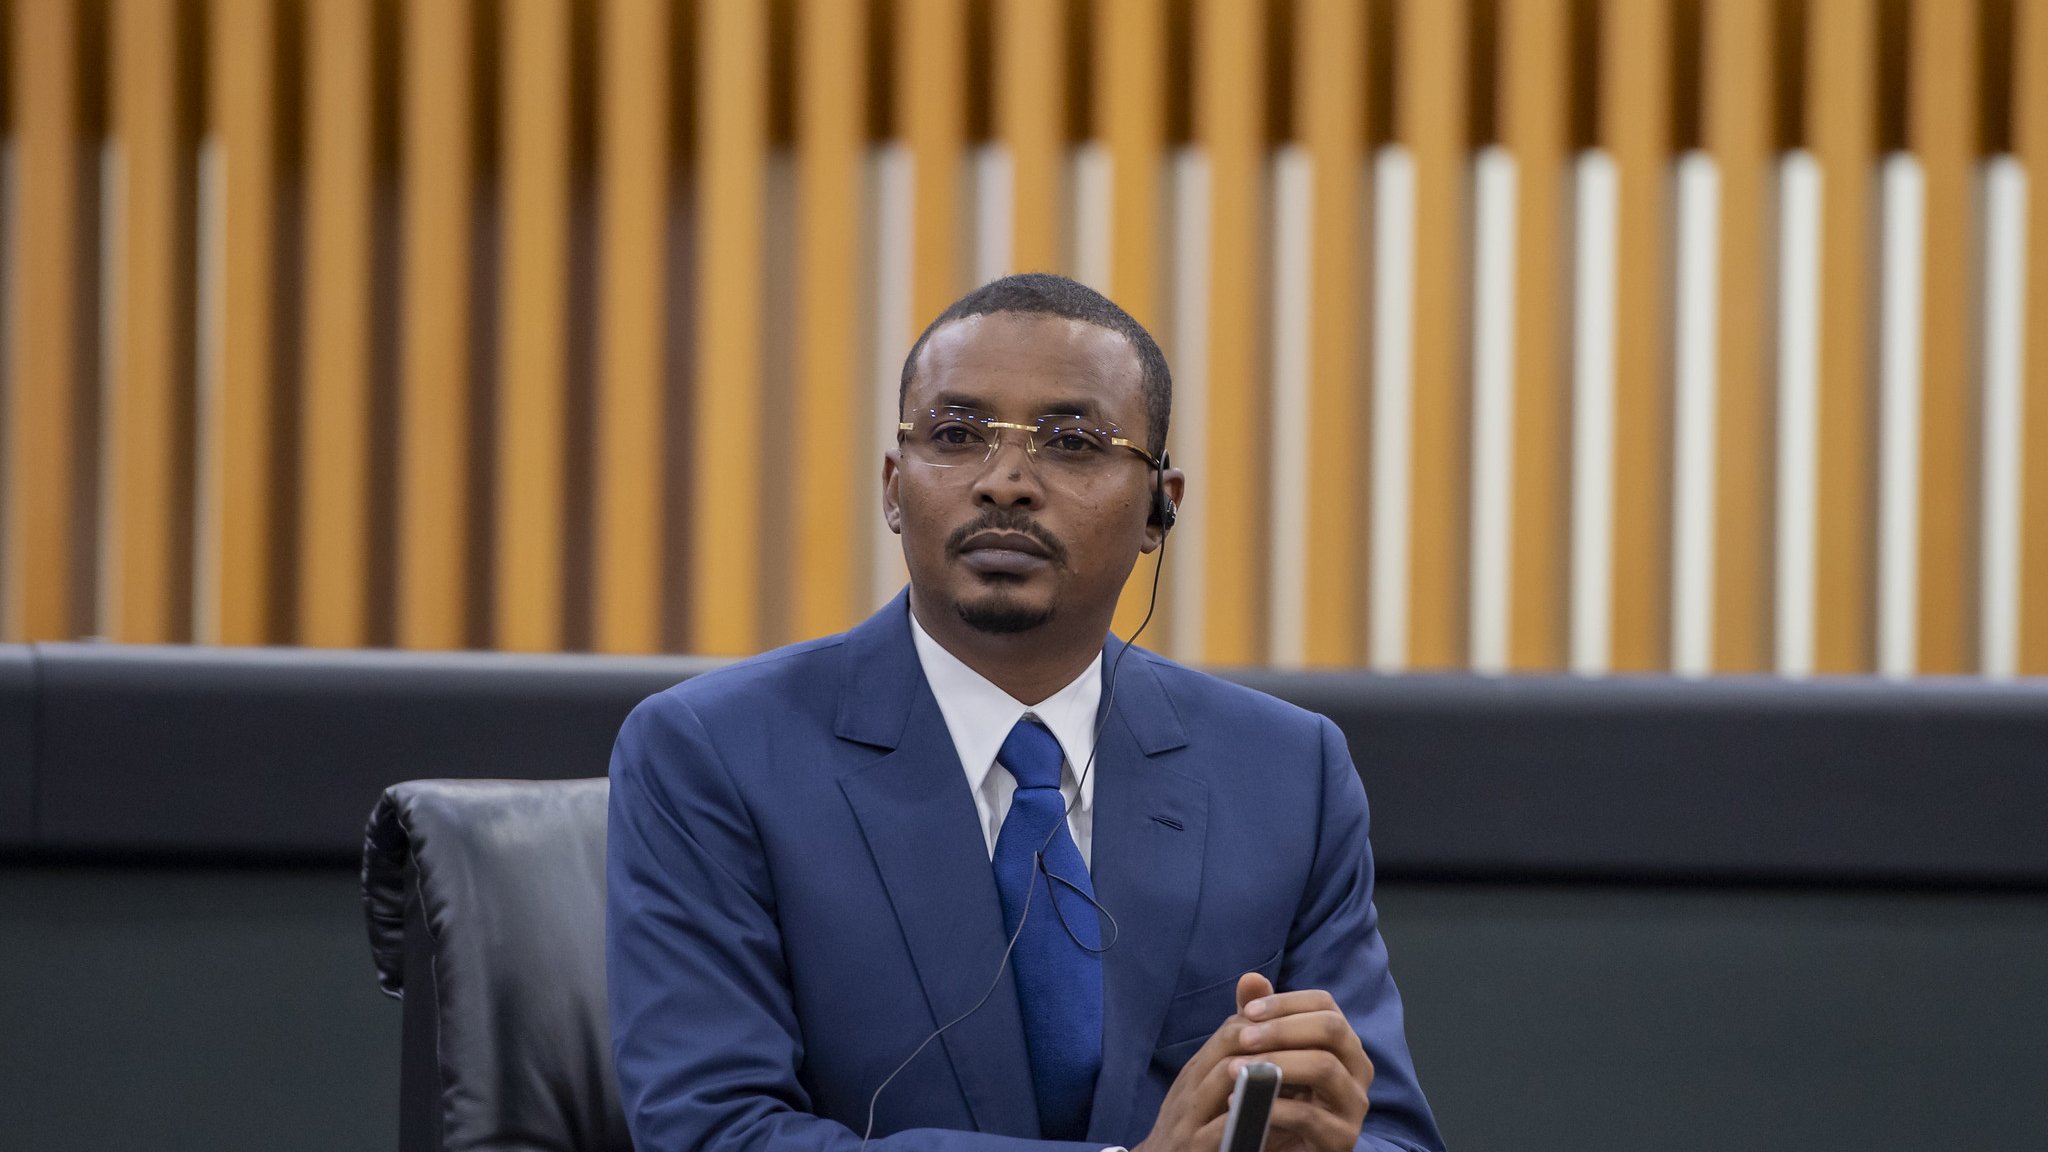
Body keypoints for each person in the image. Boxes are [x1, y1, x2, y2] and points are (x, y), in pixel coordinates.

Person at [607, 273, 1443, 1152]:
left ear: (1162, 507)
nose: (1005, 481)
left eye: (1074, 443)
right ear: (894, 488)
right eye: (958, 435)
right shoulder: (714, 752)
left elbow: (1387, 1136)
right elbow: (713, 1133)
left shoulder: (1284, 772)